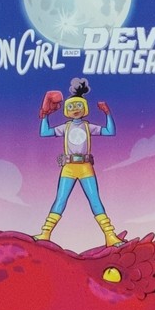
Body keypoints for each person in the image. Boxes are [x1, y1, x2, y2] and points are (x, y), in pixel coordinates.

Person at [34, 77, 123, 246]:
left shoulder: (88, 127)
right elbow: (45, 133)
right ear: (66, 110)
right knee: (60, 200)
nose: (75, 109)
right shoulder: (65, 127)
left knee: (94, 200)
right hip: (68, 167)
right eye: (71, 106)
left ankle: (110, 236)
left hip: (85, 167)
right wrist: (45, 116)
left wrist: (107, 114)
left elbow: (109, 131)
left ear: (85, 108)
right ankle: (45, 233)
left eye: (78, 106)